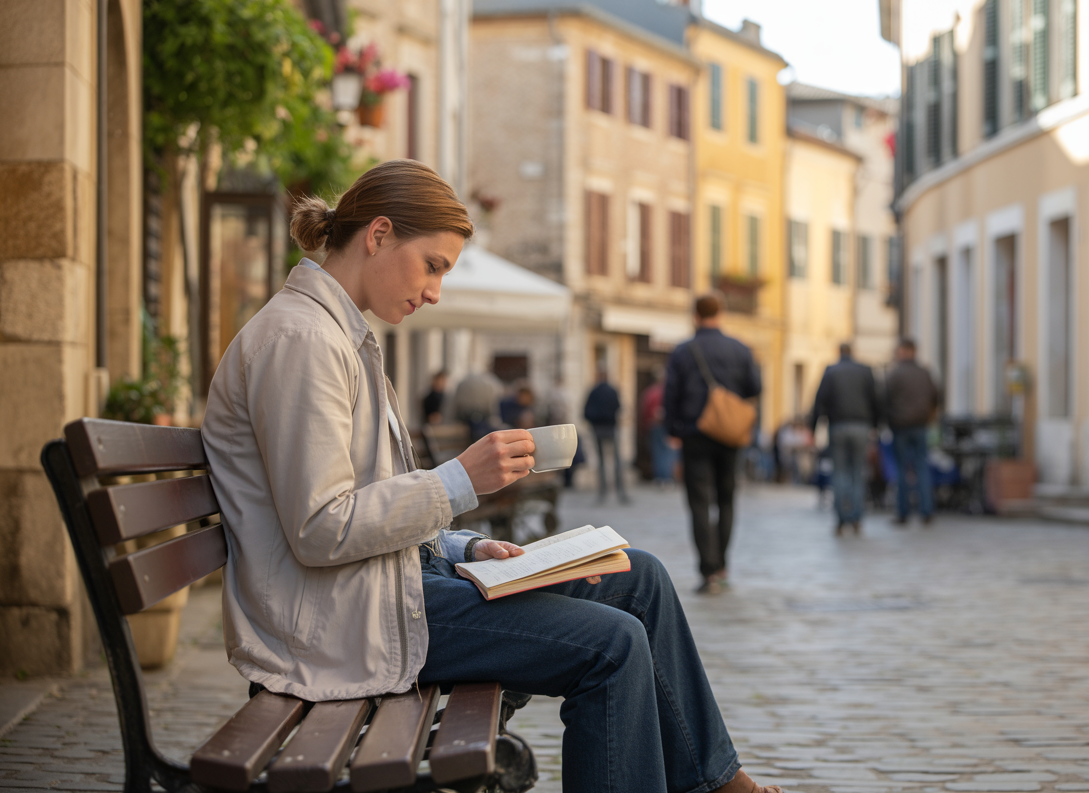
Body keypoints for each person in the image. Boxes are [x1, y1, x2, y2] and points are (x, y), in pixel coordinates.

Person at [200, 160, 783, 793]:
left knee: (637, 576)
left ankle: (718, 782)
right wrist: (459, 481)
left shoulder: (338, 335)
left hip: (380, 590)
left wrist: (465, 546)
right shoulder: (302, 340)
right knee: (612, 645)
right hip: (340, 622)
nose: (434, 292)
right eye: (434, 265)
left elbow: (356, 507)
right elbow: (321, 528)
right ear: (379, 234)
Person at [665, 294, 762, 595]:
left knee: (699, 504)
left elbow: (671, 395)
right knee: (727, 499)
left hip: (695, 434)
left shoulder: (683, 351)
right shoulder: (740, 348)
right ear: (721, 313)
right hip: (730, 436)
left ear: (695, 315)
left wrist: (674, 429)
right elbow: (755, 387)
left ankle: (707, 572)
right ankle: (721, 565)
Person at [810, 343, 880, 536]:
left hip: (838, 425)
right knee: (858, 473)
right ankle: (856, 518)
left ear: (838, 352)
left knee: (839, 473)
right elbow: (876, 398)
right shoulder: (865, 371)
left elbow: (819, 400)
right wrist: (876, 425)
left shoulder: (831, 371)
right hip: (861, 426)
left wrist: (813, 428)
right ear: (853, 353)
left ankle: (842, 519)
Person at [883, 337, 941, 525]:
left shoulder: (895, 374)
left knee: (901, 470)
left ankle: (903, 512)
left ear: (905, 351)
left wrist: (888, 419)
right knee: (922, 467)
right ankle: (926, 511)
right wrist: (930, 416)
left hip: (900, 427)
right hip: (921, 425)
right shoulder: (925, 373)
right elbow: (937, 396)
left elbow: (884, 398)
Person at [583, 371, 630, 504]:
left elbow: (586, 412)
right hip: (611, 427)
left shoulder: (593, 391)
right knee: (617, 460)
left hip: (597, 428)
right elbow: (618, 407)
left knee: (602, 461)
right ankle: (621, 492)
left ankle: (602, 492)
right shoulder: (612, 390)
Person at [640, 373, 676, 487]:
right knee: (667, 452)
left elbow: (645, 410)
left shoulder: (650, 392)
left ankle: (660, 477)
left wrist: (645, 424)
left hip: (654, 425)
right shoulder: (669, 392)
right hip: (665, 425)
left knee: (658, 452)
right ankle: (667, 478)